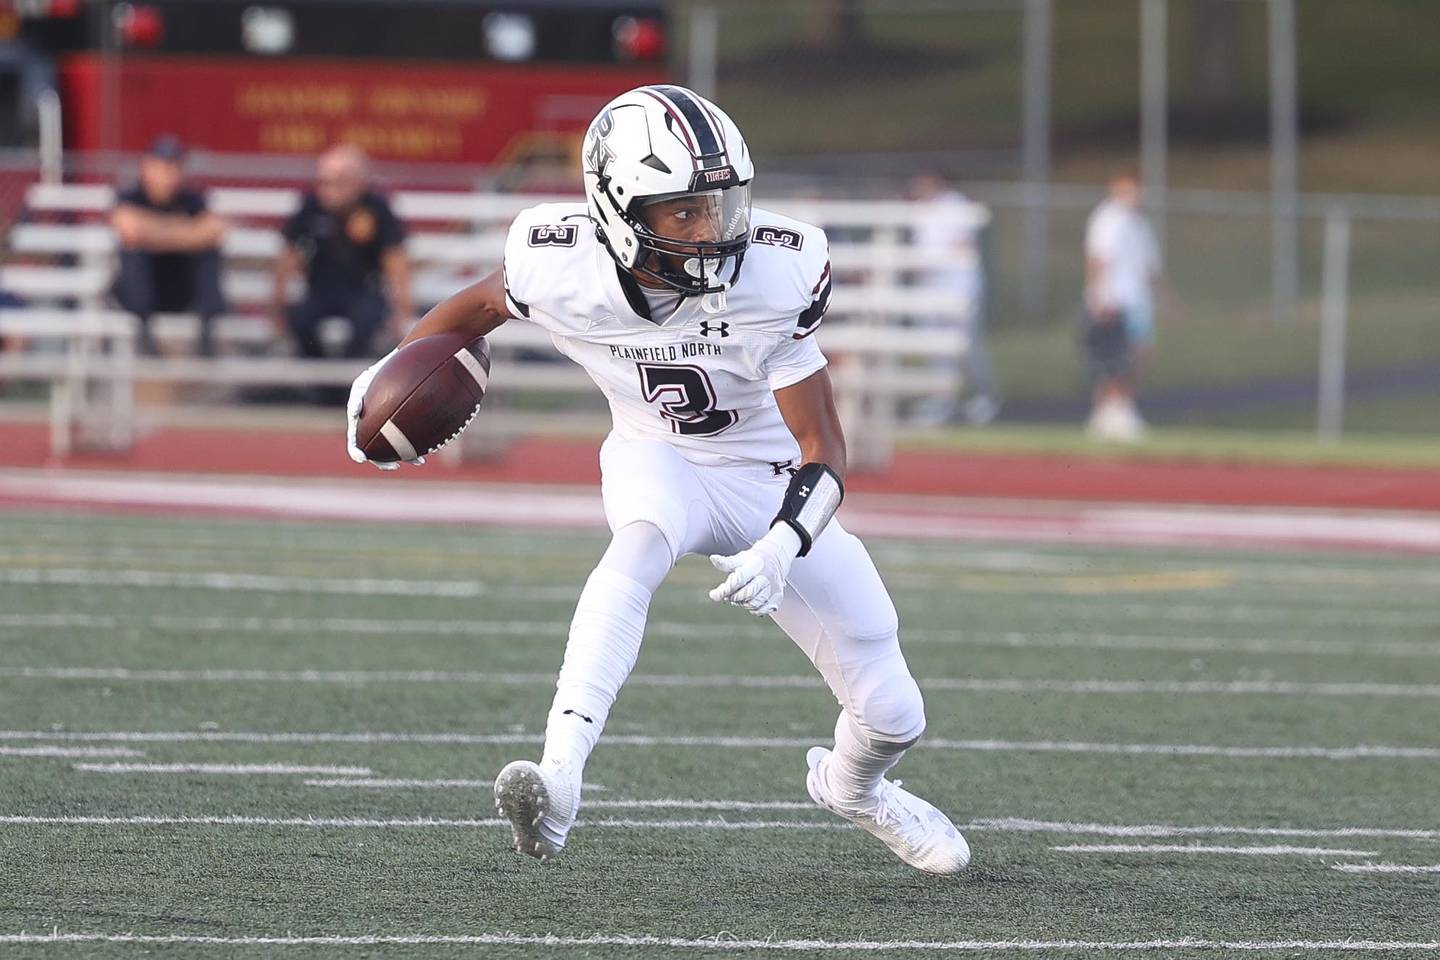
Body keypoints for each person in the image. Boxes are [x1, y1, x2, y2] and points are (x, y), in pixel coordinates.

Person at [345, 85, 971, 875]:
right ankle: (561, 776)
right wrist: (381, 387)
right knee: (636, 549)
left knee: (893, 712)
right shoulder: (560, 265)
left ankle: (856, 790)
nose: (714, 230)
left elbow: (823, 447)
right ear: (616, 207)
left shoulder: (777, 274)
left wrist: (782, 545)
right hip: (657, 455)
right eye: (684, 212)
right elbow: (464, 317)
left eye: (723, 205)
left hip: (770, 479)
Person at [275, 144, 413, 362]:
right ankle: (320, 381)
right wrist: (277, 304)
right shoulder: (311, 206)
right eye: (323, 181)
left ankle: (349, 380)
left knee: (368, 319)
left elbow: (394, 259)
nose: (327, 189)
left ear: (357, 181)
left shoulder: (377, 208)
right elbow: (289, 255)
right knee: (300, 318)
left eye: (336, 182)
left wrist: (402, 309)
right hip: (320, 291)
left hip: (363, 291)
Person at [111, 135, 227, 356]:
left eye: (174, 166)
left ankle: (207, 329)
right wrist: (183, 230)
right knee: (135, 253)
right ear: (146, 167)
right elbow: (129, 230)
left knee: (208, 253)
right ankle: (143, 330)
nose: (169, 174)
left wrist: (152, 234)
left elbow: (214, 231)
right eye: (163, 166)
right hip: (143, 295)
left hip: (181, 291)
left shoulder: (192, 199)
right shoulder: (130, 196)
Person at [908, 171, 997, 425]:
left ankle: (984, 395)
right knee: (936, 348)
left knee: (968, 345)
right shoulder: (921, 212)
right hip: (931, 289)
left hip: (958, 287)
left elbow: (961, 246)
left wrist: (931, 263)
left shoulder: (957, 206)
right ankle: (942, 400)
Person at [1082, 169, 1162, 442]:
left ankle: (1119, 408)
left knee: (1137, 355)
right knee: (1113, 358)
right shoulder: (1108, 219)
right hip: (1116, 298)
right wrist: (1100, 295)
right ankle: (1107, 412)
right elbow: (1099, 259)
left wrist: (1167, 300)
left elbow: (1150, 268)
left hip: (1138, 300)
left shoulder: (1140, 224)